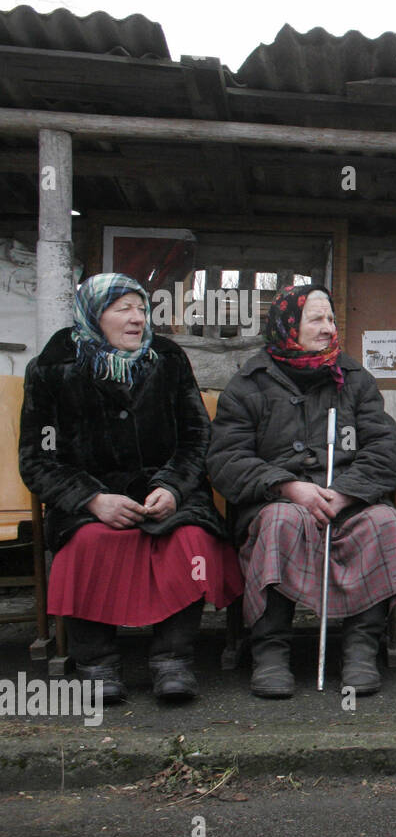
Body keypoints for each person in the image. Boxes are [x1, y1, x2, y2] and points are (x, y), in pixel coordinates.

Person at [19, 274, 242, 703]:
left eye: (141, 308)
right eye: (123, 308)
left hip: (166, 493)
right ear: (93, 314)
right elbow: (37, 458)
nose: (137, 318)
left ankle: (172, 659)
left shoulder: (169, 358)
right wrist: (92, 499)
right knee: (87, 543)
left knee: (190, 538)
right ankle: (96, 662)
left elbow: (198, 437)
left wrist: (174, 488)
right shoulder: (51, 368)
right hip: (88, 499)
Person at [207, 284, 396, 699]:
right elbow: (226, 460)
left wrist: (346, 493)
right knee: (283, 521)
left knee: (384, 521)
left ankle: (360, 649)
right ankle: (270, 651)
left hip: (347, 500)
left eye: (331, 320)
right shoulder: (250, 383)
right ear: (288, 325)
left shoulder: (354, 379)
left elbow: (386, 450)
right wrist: (287, 486)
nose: (328, 329)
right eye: (316, 320)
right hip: (277, 502)